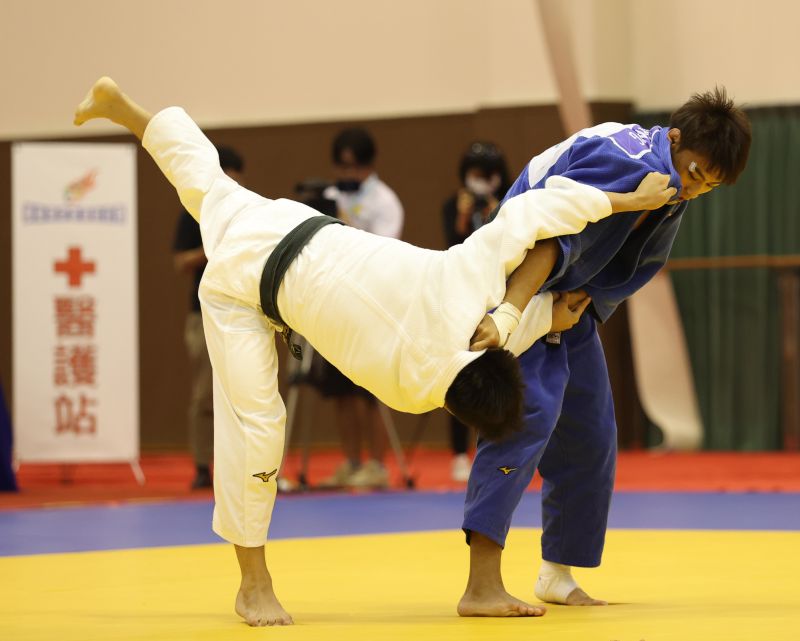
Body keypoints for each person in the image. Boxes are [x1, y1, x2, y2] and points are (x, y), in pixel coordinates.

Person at [73, 76, 675, 626]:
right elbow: (483, 351)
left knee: (203, 183)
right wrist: (551, 314)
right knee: (255, 425)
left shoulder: (465, 287)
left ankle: (125, 109)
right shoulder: (411, 390)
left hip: (284, 223)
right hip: (246, 290)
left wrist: (624, 205)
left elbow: (533, 213)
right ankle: (252, 585)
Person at [458, 87, 752, 617]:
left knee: (590, 433)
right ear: (675, 138)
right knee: (528, 417)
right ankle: (481, 584)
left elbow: (640, 262)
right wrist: (521, 310)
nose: (695, 189)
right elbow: (549, 227)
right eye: (694, 173)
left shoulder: (669, 184)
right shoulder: (623, 156)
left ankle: (557, 572)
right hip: (516, 284)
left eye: (710, 186)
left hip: (570, 299)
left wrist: (588, 298)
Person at [319, 127, 404, 489]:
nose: (345, 174)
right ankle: (351, 462)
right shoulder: (329, 194)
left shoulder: (385, 201)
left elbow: (382, 252)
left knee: (369, 391)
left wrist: (343, 219)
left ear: (369, 165)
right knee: (339, 391)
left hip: (372, 303)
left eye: (352, 167)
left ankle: (377, 465)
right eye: (340, 166)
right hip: (335, 302)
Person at [172, 145, 244, 489]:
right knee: (204, 394)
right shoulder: (194, 211)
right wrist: (213, 246)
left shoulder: (247, 210)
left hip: (241, 313)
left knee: (244, 391)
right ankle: (203, 465)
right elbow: (180, 262)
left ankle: (245, 466)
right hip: (202, 314)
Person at [441, 141, 510, 482]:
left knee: (501, 373)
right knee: (459, 373)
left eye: (488, 175)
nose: (481, 181)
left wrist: (498, 210)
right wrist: (464, 215)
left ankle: (501, 446)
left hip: (501, 297)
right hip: (462, 298)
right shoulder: (454, 205)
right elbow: (451, 245)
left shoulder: (511, 203)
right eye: (476, 174)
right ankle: (458, 453)